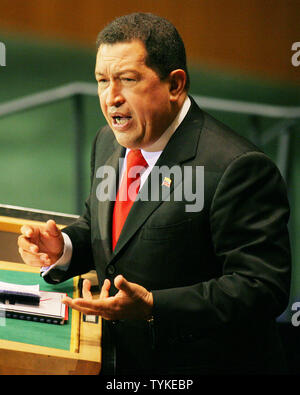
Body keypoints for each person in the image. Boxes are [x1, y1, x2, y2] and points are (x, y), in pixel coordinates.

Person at [18, 13, 291, 375]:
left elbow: (261, 288)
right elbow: (114, 234)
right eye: (102, 81)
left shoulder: (238, 168)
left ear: (175, 85)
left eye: (127, 80)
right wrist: (64, 249)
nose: (110, 98)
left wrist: (153, 306)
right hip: (119, 360)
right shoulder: (108, 142)